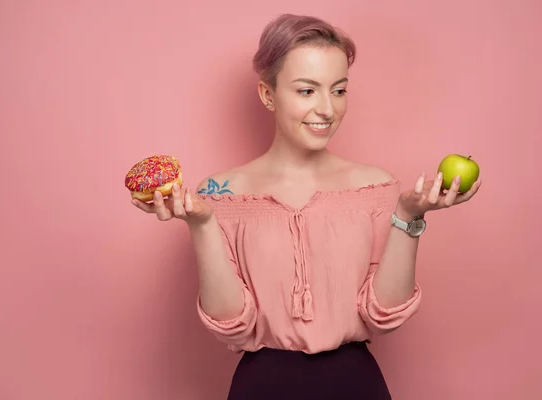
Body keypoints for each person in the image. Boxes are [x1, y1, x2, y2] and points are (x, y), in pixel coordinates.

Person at [132, 13, 481, 400]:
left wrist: (409, 216)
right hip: (261, 387)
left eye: (339, 90)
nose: (327, 110)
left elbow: (385, 313)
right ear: (268, 94)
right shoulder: (220, 194)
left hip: (355, 385)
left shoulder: (375, 186)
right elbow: (231, 325)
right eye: (306, 90)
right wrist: (201, 224)